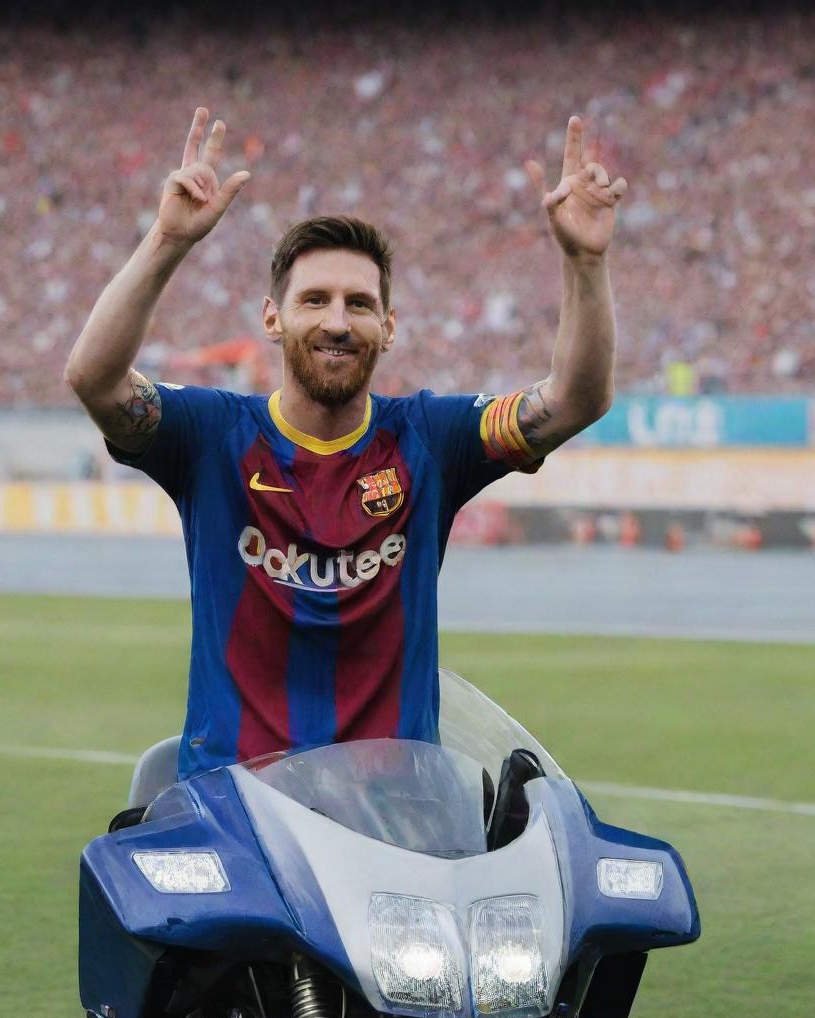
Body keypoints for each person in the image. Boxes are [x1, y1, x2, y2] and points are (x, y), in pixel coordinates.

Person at [65, 107, 627, 781]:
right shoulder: (211, 437)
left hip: (397, 818)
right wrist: (167, 239)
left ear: (388, 327)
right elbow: (95, 381)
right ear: (272, 318)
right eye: (315, 300)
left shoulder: (430, 439)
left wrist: (585, 262)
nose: (337, 322)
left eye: (359, 304)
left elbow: (574, 401)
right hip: (236, 808)